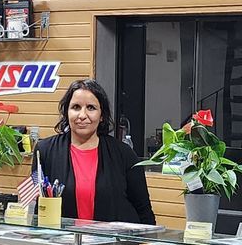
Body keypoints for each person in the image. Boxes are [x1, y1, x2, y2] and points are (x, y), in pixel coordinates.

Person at [33, 79, 155, 224]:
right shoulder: (45, 151)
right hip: (64, 244)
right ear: (66, 112)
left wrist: (149, 243)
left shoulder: (124, 153)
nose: (82, 115)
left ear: (102, 115)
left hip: (113, 244)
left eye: (91, 108)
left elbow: (143, 209)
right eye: (76, 107)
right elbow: (39, 205)